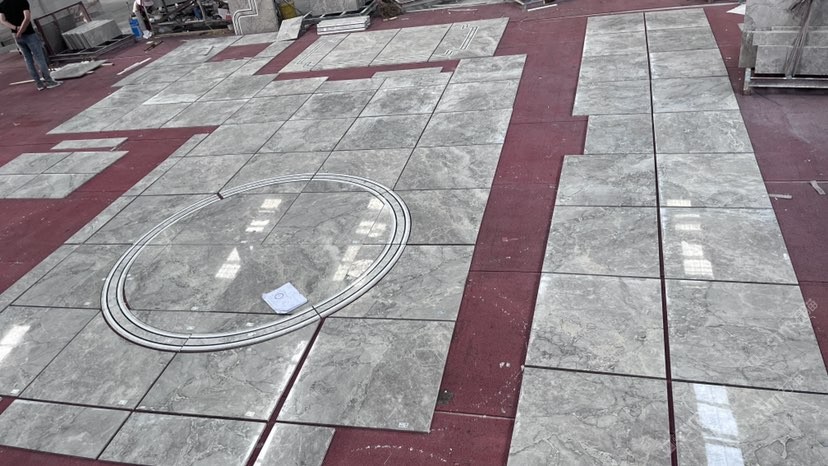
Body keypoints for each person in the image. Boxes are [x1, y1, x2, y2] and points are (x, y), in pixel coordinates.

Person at [0, 0, 61, 91]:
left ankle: (39, 84)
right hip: (29, 33)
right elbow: (27, 18)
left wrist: (16, 29)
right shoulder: (22, 1)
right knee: (39, 57)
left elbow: (2, 20)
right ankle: (49, 81)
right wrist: (21, 30)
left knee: (28, 60)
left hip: (16, 35)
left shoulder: (2, 5)